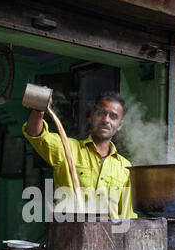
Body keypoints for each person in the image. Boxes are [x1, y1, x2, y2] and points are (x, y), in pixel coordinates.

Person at [22, 91, 137, 219]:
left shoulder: (125, 167)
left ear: (119, 125)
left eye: (113, 116)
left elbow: (128, 217)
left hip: (110, 237)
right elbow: (35, 134)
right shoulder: (67, 149)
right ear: (91, 116)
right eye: (101, 113)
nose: (106, 120)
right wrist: (39, 108)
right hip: (70, 235)